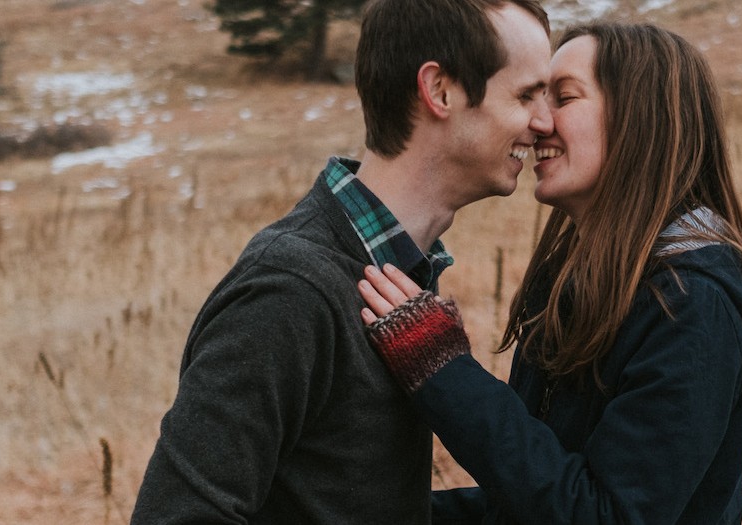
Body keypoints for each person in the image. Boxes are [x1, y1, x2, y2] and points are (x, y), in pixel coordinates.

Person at [130, 0, 552, 522]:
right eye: (526, 94)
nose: (544, 121)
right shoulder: (290, 291)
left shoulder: (397, 274)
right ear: (440, 90)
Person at [356, 22, 742, 524]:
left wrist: (445, 372)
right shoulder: (578, 279)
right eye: (536, 97)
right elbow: (531, 501)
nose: (537, 122)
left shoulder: (693, 304)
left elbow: (604, 514)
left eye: (563, 97)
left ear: (639, 118)